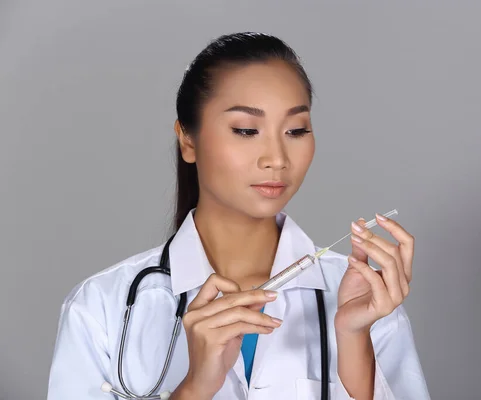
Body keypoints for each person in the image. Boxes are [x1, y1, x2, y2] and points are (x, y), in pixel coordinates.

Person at [47, 32, 430, 400]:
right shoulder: (101, 308)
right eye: (247, 130)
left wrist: (352, 342)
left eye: (296, 130)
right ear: (187, 140)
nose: (277, 159)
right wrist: (195, 388)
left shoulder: (366, 302)